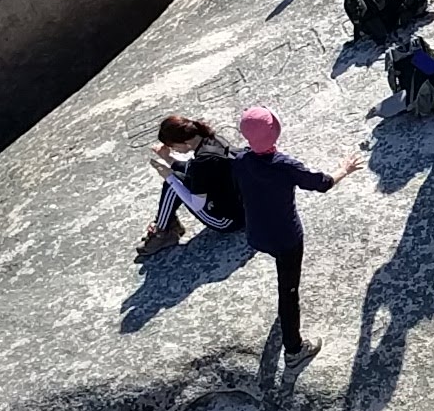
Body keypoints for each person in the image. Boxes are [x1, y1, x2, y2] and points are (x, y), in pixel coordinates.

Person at [229, 106, 360, 359]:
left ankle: (284, 317)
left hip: (257, 235)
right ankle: (294, 350)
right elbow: (321, 183)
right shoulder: (284, 165)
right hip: (287, 238)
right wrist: (344, 169)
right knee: (289, 292)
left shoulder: (240, 161)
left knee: (283, 278)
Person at [139, 114, 243, 260]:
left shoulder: (202, 164)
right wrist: (168, 158)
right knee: (176, 180)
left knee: (172, 184)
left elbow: (196, 203)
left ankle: (162, 231)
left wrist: (168, 175)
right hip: (242, 206)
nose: (174, 150)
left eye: (173, 147)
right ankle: (165, 224)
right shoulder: (212, 141)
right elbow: (194, 170)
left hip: (227, 221)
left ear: (185, 143)